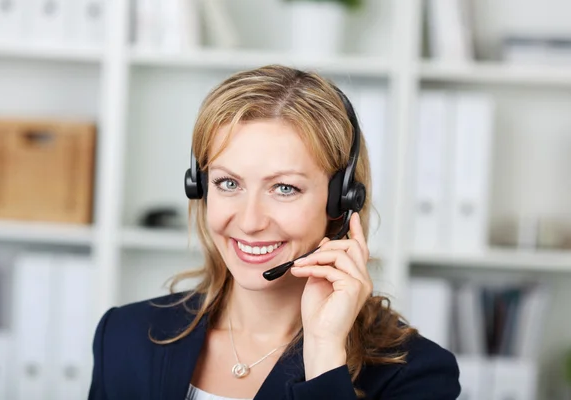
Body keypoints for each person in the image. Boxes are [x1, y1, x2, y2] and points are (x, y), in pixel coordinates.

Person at [88, 65, 461, 399]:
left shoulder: (414, 375)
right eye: (228, 183)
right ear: (199, 187)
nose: (250, 221)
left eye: (285, 188)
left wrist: (325, 353)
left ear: (341, 202)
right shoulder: (125, 336)